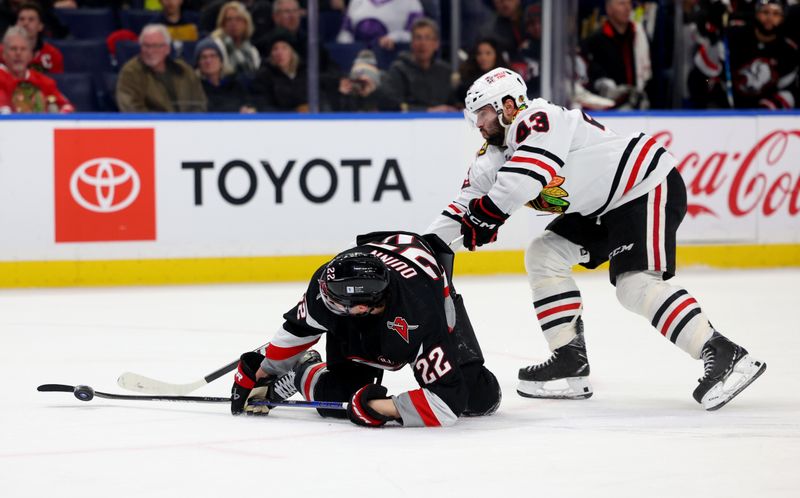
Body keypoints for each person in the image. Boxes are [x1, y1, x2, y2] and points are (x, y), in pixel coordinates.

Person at [426, 67, 766, 411]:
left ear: (508, 105)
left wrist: (487, 212)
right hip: (600, 208)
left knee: (635, 285)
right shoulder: (492, 158)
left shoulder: (539, 119)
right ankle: (569, 362)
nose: (479, 124)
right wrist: (423, 248)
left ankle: (724, 352)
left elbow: (526, 178)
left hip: (641, 185)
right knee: (544, 254)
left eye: (482, 113)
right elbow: (462, 205)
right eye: (475, 116)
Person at [229, 231, 501, 427]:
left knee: (479, 398)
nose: (327, 305)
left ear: (364, 307)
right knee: (336, 401)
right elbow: (301, 328)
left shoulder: (422, 314)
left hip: (429, 296)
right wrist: (262, 372)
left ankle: (305, 367)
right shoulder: (327, 286)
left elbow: (446, 402)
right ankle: (303, 368)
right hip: (382, 259)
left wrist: (379, 408)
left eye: (337, 305)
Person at [688, 0, 798, 109]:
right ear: (756, 13)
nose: (769, 18)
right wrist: (712, 88)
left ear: (783, 17)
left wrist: (765, 110)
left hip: (763, 117)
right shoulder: (733, 35)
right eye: (765, 12)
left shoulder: (788, 51)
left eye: (776, 14)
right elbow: (702, 78)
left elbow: (788, 91)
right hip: (723, 109)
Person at [116, 24, 207, 112]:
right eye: (146, 46)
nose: (150, 51)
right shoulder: (131, 72)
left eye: (156, 46)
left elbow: (199, 103)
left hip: (189, 125)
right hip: (153, 125)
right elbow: (131, 109)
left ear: (167, 49)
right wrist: (164, 123)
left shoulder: (184, 70)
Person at [581, 0, 652, 109]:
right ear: (609, 9)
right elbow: (593, 77)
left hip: (639, 105)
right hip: (609, 109)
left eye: (629, 3)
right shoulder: (595, 41)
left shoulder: (639, 35)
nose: (627, 8)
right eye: (621, 3)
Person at [381, 17, 456, 112]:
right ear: (412, 43)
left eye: (427, 38)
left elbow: (454, 104)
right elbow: (391, 106)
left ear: (436, 44)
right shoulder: (398, 70)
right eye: (418, 38)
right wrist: (427, 111)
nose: (422, 43)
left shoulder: (444, 71)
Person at [0, 26, 72, 113]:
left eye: (23, 49)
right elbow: (3, 111)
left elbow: (67, 106)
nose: (18, 53)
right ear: (3, 54)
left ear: (31, 55)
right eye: (13, 49)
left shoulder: (44, 82)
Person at [194, 36, 255, 112]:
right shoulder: (194, 88)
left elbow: (249, 106)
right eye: (203, 57)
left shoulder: (235, 85)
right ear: (198, 63)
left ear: (221, 61)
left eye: (213, 56)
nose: (208, 61)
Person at [336, 0, 423, 50]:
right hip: (357, 57)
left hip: (390, 57)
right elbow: (345, 31)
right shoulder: (357, 1)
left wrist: (395, 37)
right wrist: (348, 47)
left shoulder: (411, 3)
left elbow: (417, 35)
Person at [210, 1, 261, 78]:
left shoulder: (253, 51)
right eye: (229, 19)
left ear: (246, 23)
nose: (233, 23)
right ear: (223, 24)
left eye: (238, 19)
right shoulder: (216, 46)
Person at [9, 2, 63, 74]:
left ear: (40, 26)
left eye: (31, 20)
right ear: (16, 24)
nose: (25, 23)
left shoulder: (53, 54)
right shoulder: (3, 52)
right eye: (22, 19)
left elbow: (58, 82)